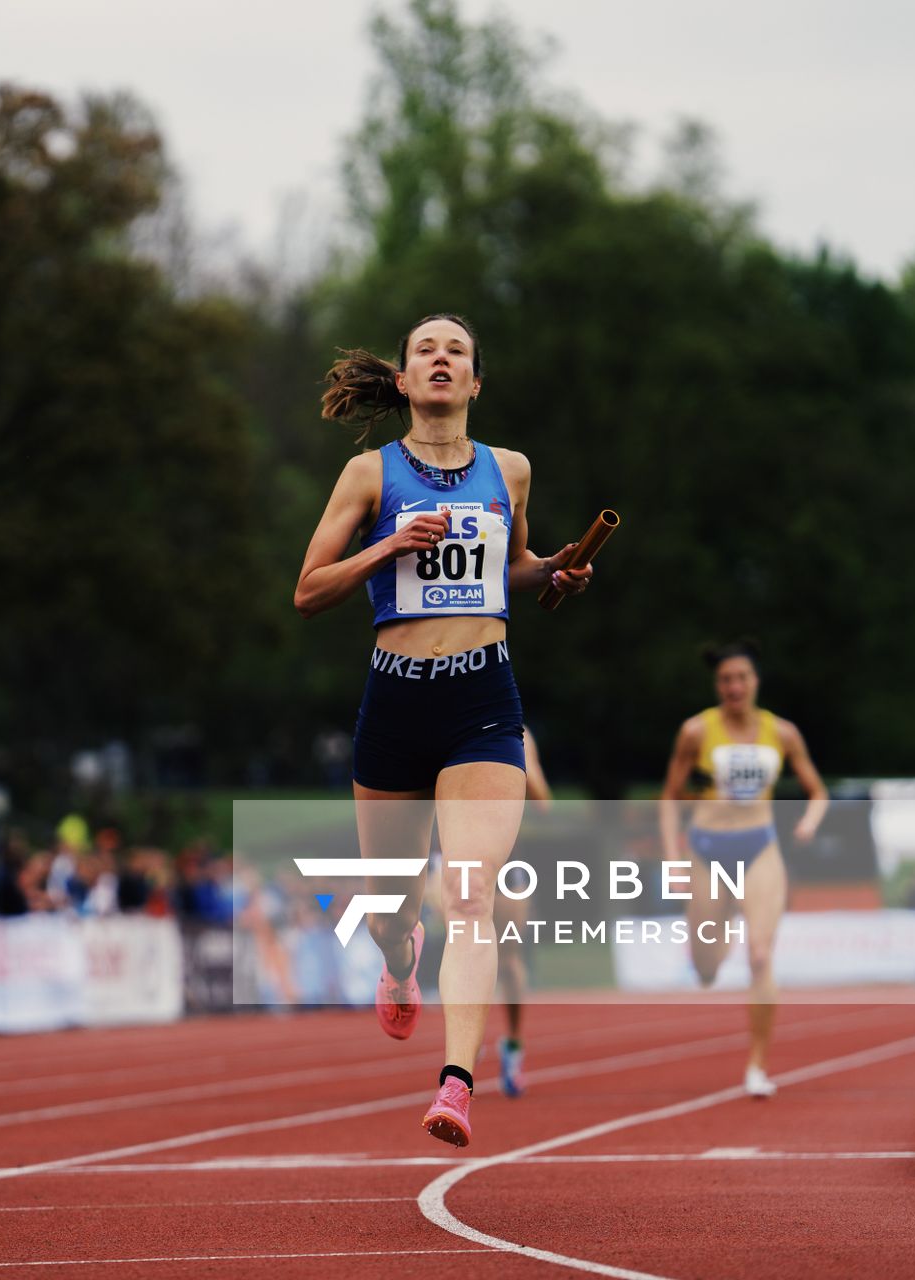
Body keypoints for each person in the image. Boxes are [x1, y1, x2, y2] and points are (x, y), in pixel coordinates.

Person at [294, 312, 593, 1146]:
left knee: (470, 893)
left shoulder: (511, 470)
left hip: (482, 704)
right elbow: (309, 589)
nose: (438, 359)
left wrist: (556, 571)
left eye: (454, 351)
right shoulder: (368, 474)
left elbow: (519, 570)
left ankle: (456, 1082)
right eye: (423, 349)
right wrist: (388, 545)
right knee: (392, 908)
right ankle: (398, 958)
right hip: (395, 701)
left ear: (474, 383)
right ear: (402, 380)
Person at [659, 640, 828, 1099]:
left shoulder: (783, 733)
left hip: (760, 847)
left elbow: (817, 790)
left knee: (759, 955)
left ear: (755, 682)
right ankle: (715, 944)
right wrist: (673, 860)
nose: (734, 686)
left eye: (742, 678)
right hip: (707, 848)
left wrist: (810, 823)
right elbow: (669, 798)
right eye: (726, 680)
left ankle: (757, 1066)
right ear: (718, 685)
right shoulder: (696, 732)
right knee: (707, 967)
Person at [493, 726, 554, 1098]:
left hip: (503, 852)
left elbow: (543, 801)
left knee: (509, 957)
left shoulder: (517, 730)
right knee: (463, 944)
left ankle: (513, 1045)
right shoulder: (432, 711)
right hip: (447, 848)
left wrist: (517, 764)